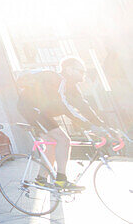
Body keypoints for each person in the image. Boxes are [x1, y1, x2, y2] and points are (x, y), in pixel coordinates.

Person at [17, 57, 105, 191]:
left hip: (42, 113)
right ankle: (61, 180)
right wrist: (90, 127)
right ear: (69, 70)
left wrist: (102, 125)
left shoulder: (71, 87)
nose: (83, 74)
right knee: (64, 140)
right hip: (32, 109)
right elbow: (66, 108)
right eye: (81, 71)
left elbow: (83, 106)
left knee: (53, 144)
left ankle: (41, 179)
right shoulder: (56, 80)